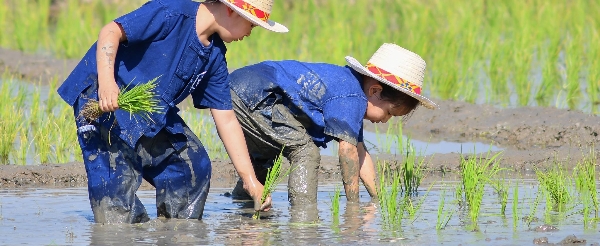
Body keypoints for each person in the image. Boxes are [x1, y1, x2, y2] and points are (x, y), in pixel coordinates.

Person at [57, 0, 287, 223]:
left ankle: (177, 231)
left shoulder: (214, 55)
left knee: (191, 166)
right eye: (252, 24)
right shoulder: (172, 11)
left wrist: (250, 181)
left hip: (150, 112)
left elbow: (226, 118)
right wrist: (107, 83)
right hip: (105, 102)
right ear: (231, 11)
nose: (250, 33)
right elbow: (110, 31)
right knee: (117, 197)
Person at [229, 43, 437, 207]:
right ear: (375, 91)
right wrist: (353, 207)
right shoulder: (351, 96)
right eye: (389, 113)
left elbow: (360, 152)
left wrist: (377, 199)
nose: (385, 120)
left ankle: (243, 202)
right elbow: (347, 151)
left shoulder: (351, 93)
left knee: (267, 158)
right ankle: (304, 215)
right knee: (305, 152)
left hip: (240, 88)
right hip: (258, 94)